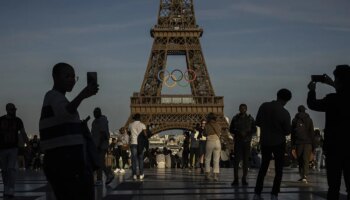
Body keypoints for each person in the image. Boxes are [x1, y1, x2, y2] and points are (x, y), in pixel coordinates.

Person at [39, 62, 98, 200]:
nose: (72, 80)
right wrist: (83, 95)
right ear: (55, 77)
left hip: (65, 158)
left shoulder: (59, 98)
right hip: (63, 159)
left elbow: (63, 117)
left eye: (74, 77)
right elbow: (65, 113)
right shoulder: (52, 96)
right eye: (67, 76)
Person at [307, 64, 350, 200]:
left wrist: (312, 90)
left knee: (334, 187)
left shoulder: (332, 99)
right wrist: (333, 84)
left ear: (338, 80)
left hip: (334, 148)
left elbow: (312, 104)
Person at [253, 89, 292, 200]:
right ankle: (274, 194)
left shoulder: (264, 106)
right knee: (278, 170)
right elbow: (287, 131)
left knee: (263, 167)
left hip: (265, 141)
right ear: (287, 100)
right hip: (279, 142)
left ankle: (257, 192)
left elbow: (258, 122)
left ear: (277, 95)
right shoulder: (285, 113)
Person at [0, 103, 29, 198]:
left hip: (13, 148)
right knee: (4, 170)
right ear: (8, 110)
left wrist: (27, 145)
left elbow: (23, 133)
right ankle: (7, 187)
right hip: (2, 148)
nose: (14, 111)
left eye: (15, 110)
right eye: (13, 110)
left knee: (11, 169)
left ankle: (10, 189)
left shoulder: (18, 120)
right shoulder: (1, 120)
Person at [230, 104, 256, 186]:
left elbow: (254, 129)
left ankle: (244, 178)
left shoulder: (250, 119)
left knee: (245, 161)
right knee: (236, 161)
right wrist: (238, 132)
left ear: (246, 109)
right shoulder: (235, 118)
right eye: (241, 108)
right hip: (238, 141)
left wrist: (247, 133)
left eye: (244, 108)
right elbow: (231, 129)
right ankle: (236, 179)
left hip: (246, 141)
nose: (242, 110)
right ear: (239, 109)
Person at [291, 105, 314, 183]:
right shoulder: (309, 120)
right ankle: (305, 176)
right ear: (304, 110)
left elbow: (293, 134)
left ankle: (302, 175)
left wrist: (293, 146)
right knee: (306, 160)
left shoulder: (294, 120)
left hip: (298, 143)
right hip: (308, 143)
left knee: (300, 159)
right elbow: (312, 133)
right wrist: (313, 147)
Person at [91, 107, 114, 185]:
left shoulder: (100, 121)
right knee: (100, 162)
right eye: (94, 112)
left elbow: (103, 134)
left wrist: (99, 145)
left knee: (100, 162)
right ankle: (104, 176)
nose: (94, 114)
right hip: (98, 145)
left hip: (101, 145)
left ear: (99, 113)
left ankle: (104, 177)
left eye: (96, 112)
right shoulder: (96, 121)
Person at [203, 112, 222, 181]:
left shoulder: (207, 125)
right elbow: (220, 133)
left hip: (210, 141)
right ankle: (215, 176)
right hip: (217, 142)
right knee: (216, 159)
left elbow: (204, 134)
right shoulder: (218, 125)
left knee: (207, 159)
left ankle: (207, 175)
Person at [128, 113, 147, 180]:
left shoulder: (130, 125)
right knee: (141, 159)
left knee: (134, 160)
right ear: (140, 118)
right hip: (140, 144)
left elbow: (129, 133)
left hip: (133, 143)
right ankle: (141, 174)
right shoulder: (142, 125)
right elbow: (145, 135)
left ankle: (134, 175)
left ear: (134, 118)